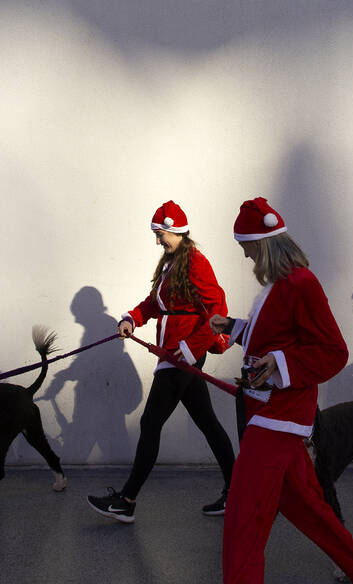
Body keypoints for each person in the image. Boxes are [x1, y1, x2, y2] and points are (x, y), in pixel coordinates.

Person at [212, 198, 353, 584]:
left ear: (262, 244)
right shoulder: (280, 286)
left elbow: (332, 352)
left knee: (243, 514)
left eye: (246, 248)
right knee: (311, 511)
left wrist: (278, 365)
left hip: (279, 418)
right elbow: (277, 338)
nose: (245, 257)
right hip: (270, 414)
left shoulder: (302, 284)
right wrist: (234, 327)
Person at [87, 200, 237, 523]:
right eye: (156, 235)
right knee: (208, 422)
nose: (158, 241)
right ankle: (237, 491)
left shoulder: (196, 263)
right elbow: (155, 305)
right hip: (175, 353)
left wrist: (189, 348)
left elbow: (216, 313)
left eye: (161, 234)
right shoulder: (171, 264)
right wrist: (132, 318)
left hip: (180, 357)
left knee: (150, 423)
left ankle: (126, 500)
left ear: (176, 231)